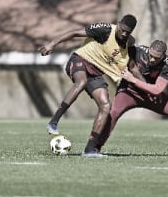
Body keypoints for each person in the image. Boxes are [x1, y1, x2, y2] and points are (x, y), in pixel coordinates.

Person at [38, 14, 138, 157]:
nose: (124, 33)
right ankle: (53, 122)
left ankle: (90, 150)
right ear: (118, 23)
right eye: (122, 29)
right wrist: (51, 44)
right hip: (79, 60)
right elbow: (74, 33)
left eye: (128, 32)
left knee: (105, 106)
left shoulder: (128, 43)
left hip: (95, 73)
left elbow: (132, 65)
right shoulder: (105, 30)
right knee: (81, 82)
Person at [96, 40, 168, 158]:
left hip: (152, 96)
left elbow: (157, 90)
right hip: (129, 92)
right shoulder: (136, 51)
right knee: (113, 113)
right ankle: (95, 148)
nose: (152, 59)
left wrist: (133, 80)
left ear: (163, 56)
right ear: (149, 50)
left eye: (157, 58)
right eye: (151, 56)